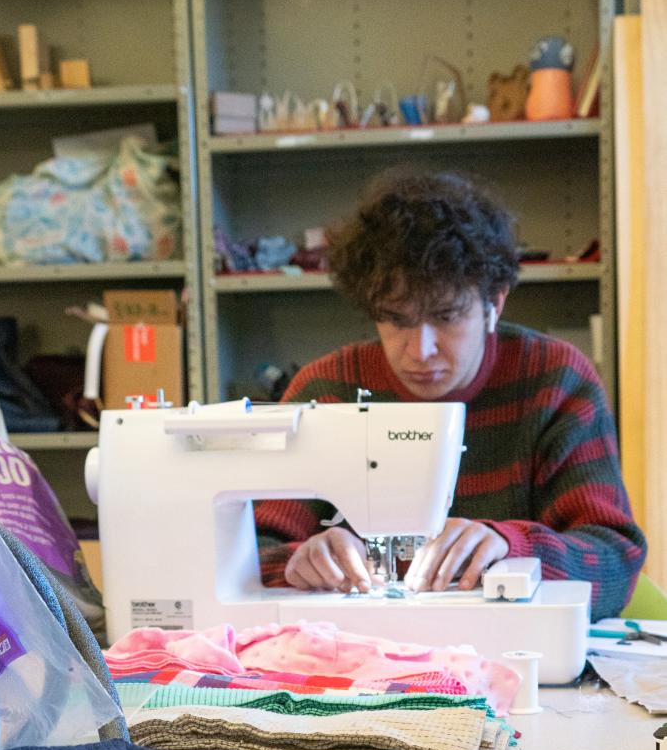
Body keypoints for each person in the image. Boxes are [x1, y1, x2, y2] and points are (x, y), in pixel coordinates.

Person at [254, 169, 646, 621]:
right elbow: (244, 552)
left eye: (446, 316)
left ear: (493, 303)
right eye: (396, 320)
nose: (419, 350)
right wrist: (299, 559)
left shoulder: (556, 383)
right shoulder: (326, 393)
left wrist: (510, 544)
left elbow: (616, 562)